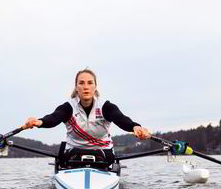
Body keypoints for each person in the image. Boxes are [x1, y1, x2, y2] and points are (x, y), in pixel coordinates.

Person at [22, 68, 151, 167]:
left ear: (95, 87)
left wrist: (136, 127)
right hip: (74, 152)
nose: (86, 87)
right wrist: (39, 122)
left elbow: (121, 118)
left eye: (90, 83)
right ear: (76, 88)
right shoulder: (68, 107)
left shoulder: (106, 106)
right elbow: (54, 117)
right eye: (81, 83)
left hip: (103, 153)